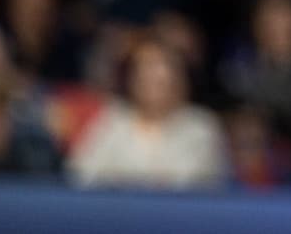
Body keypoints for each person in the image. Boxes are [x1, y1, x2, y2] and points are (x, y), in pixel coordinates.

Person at [67, 37, 228, 188]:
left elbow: (207, 185)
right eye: (145, 70)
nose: (153, 77)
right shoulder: (112, 120)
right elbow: (80, 176)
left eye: (163, 73)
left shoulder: (201, 127)